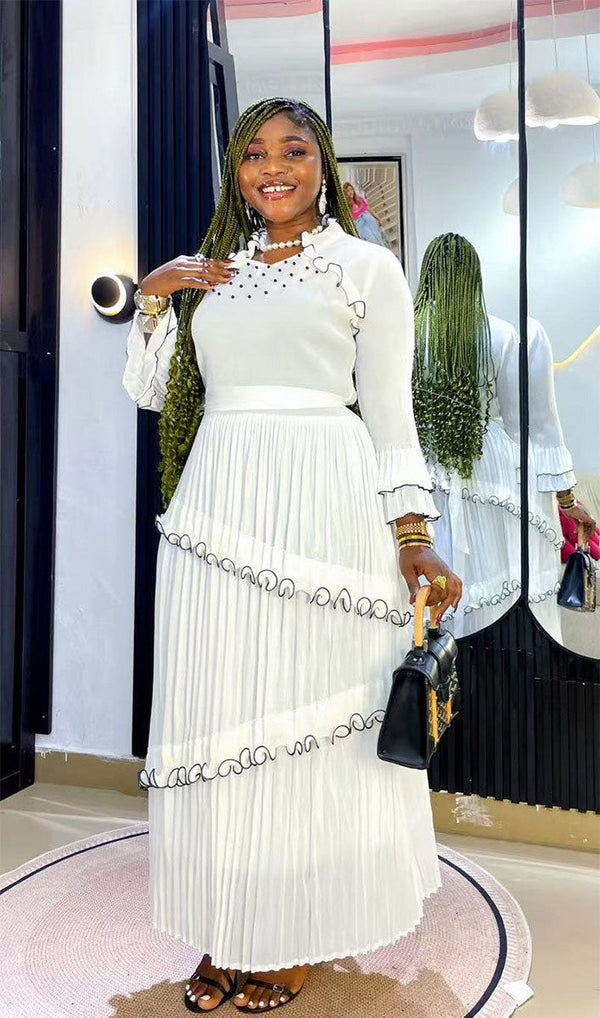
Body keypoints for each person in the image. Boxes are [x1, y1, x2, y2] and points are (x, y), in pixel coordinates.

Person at [122, 97, 461, 1014]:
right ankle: (228, 920)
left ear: (324, 165)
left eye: (294, 150)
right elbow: (153, 393)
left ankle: (297, 926)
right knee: (219, 710)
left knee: (307, 718)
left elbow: (391, 414)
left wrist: (414, 536)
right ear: (236, 171)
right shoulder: (213, 272)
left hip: (325, 508)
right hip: (218, 506)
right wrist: (155, 296)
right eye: (254, 154)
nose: (273, 167)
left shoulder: (366, 267)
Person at [412, 233, 595, 640]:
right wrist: (567, 499)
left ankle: (438, 662)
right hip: (492, 465)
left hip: (424, 467)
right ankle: (499, 663)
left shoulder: (407, 334)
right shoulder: (501, 334)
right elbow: (531, 425)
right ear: (474, 276)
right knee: (500, 578)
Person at [342, 181, 390, 247]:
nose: (350, 192)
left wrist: (379, 219)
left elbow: (370, 210)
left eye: (351, 189)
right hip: (360, 225)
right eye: (347, 191)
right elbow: (349, 219)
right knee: (370, 241)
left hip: (369, 221)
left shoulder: (359, 199)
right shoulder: (346, 206)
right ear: (345, 193)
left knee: (378, 238)